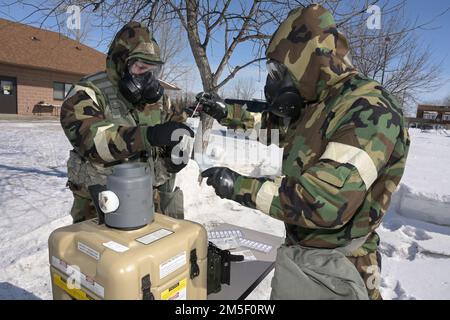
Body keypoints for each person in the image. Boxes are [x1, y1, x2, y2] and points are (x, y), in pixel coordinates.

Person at [201, 4, 410, 300]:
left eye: (279, 70)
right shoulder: (317, 103)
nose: (273, 80)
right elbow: (273, 128)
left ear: (310, 61)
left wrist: (239, 186)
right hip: (305, 259)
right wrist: (226, 113)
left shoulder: (368, 109)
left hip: (338, 269)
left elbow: (325, 201)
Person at [60, 21, 194, 223]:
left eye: (153, 71)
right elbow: (93, 141)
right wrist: (149, 135)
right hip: (102, 205)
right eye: (141, 68)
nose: (148, 78)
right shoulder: (87, 92)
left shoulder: (158, 99)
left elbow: (176, 126)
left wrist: (174, 156)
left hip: (148, 200)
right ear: (122, 62)